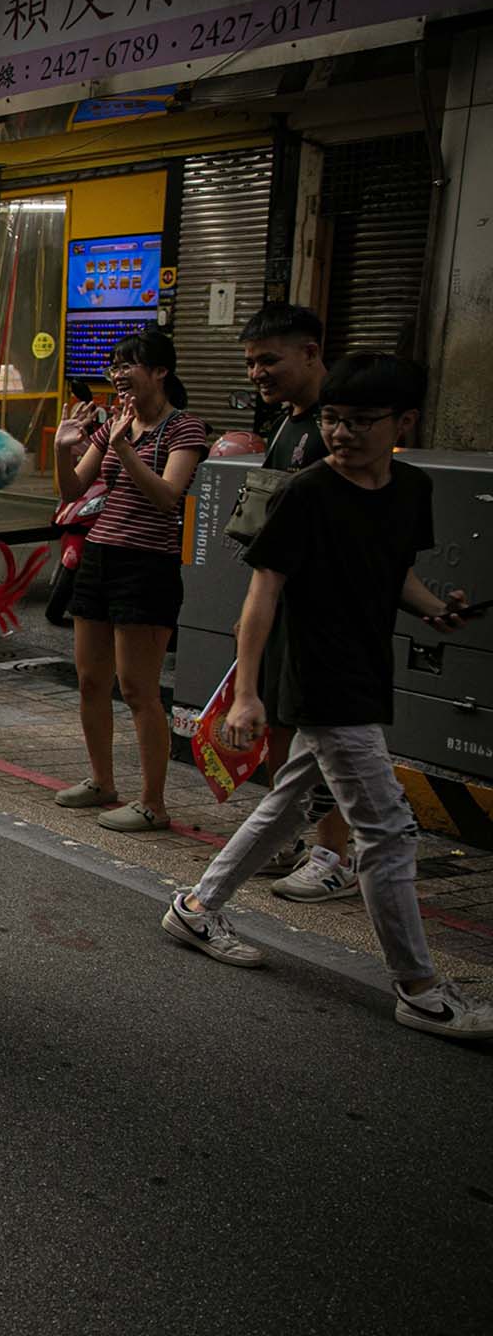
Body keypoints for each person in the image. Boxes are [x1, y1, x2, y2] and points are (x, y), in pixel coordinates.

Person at [162, 354, 492, 1041]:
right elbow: (261, 596)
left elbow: (393, 572)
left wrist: (436, 609)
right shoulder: (306, 493)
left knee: (288, 806)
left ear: (404, 422)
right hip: (318, 678)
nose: (343, 433)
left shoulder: (412, 491)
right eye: (335, 419)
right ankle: (420, 989)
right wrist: (247, 692)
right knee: (388, 830)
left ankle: (197, 906)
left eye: (362, 422)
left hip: (368, 672)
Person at [51, 327, 207, 832]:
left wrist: (126, 449)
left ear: (160, 371)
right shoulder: (115, 423)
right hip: (100, 556)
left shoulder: (184, 429)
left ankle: (153, 802)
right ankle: (102, 782)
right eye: (115, 366)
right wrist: (61, 449)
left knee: (139, 689)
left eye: (129, 365)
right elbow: (73, 488)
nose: (118, 375)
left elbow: (167, 497)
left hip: (148, 565)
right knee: (91, 680)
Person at [238, 303, 356, 898]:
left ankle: (335, 854)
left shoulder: (342, 425)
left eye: (269, 360)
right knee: (280, 724)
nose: (258, 373)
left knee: (327, 734)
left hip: (329, 611)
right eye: (252, 363)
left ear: (311, 352)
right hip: (283, 598)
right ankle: (285, 834)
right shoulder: (288, 422)